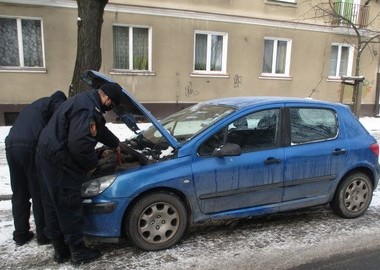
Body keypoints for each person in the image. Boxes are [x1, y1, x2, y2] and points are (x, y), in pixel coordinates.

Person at [36, 82, 123, 265]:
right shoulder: (87, 109)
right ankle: (78, 252)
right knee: (68, 203)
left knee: (54, 203)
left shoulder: (85, 101)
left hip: (47, 154)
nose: (109, 109)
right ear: (106, 98)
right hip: (60, 159)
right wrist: (92, 164)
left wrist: (115, 143)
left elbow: (99, 130)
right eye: (111, 105)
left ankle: (61, 250)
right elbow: (80, 145)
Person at [5, 90, 67, 246]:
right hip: (30, 146)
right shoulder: (55, 103)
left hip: (11, 145)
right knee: (38, 191)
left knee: (19, 192)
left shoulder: (35, 105)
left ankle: (20, 234)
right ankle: (43, 235)